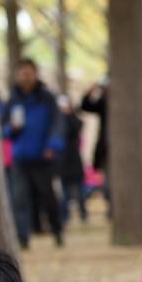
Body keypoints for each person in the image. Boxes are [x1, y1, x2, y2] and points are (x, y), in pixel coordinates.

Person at [1, 59, 64, 249]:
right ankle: (22, 237)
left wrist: (52, 145)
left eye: (29, 72)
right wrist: (10, 129)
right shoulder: (12, 99)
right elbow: (2, 127)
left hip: (43, 157)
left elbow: (57, 124)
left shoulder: (47, 98)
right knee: (19, 198)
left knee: (48, 196)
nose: (25, 76)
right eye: (22, 72)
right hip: (20, 157)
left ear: (35, 73)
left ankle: (57, 231)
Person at [80, 78, 112, 213]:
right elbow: (85, 105)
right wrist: (91, 90)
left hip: (114, 151)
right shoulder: (103, 103)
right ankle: (111, 206)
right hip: (105, 148)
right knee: (107, 181)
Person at [56, 95, 87, 223]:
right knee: (64, 191)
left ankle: (83, 213)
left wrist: (68, 115)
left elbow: (76, 127)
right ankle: (64, 215)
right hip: (62, 161)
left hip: (74, 160)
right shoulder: (57, 122)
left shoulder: (74, 120)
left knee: (79, 190)